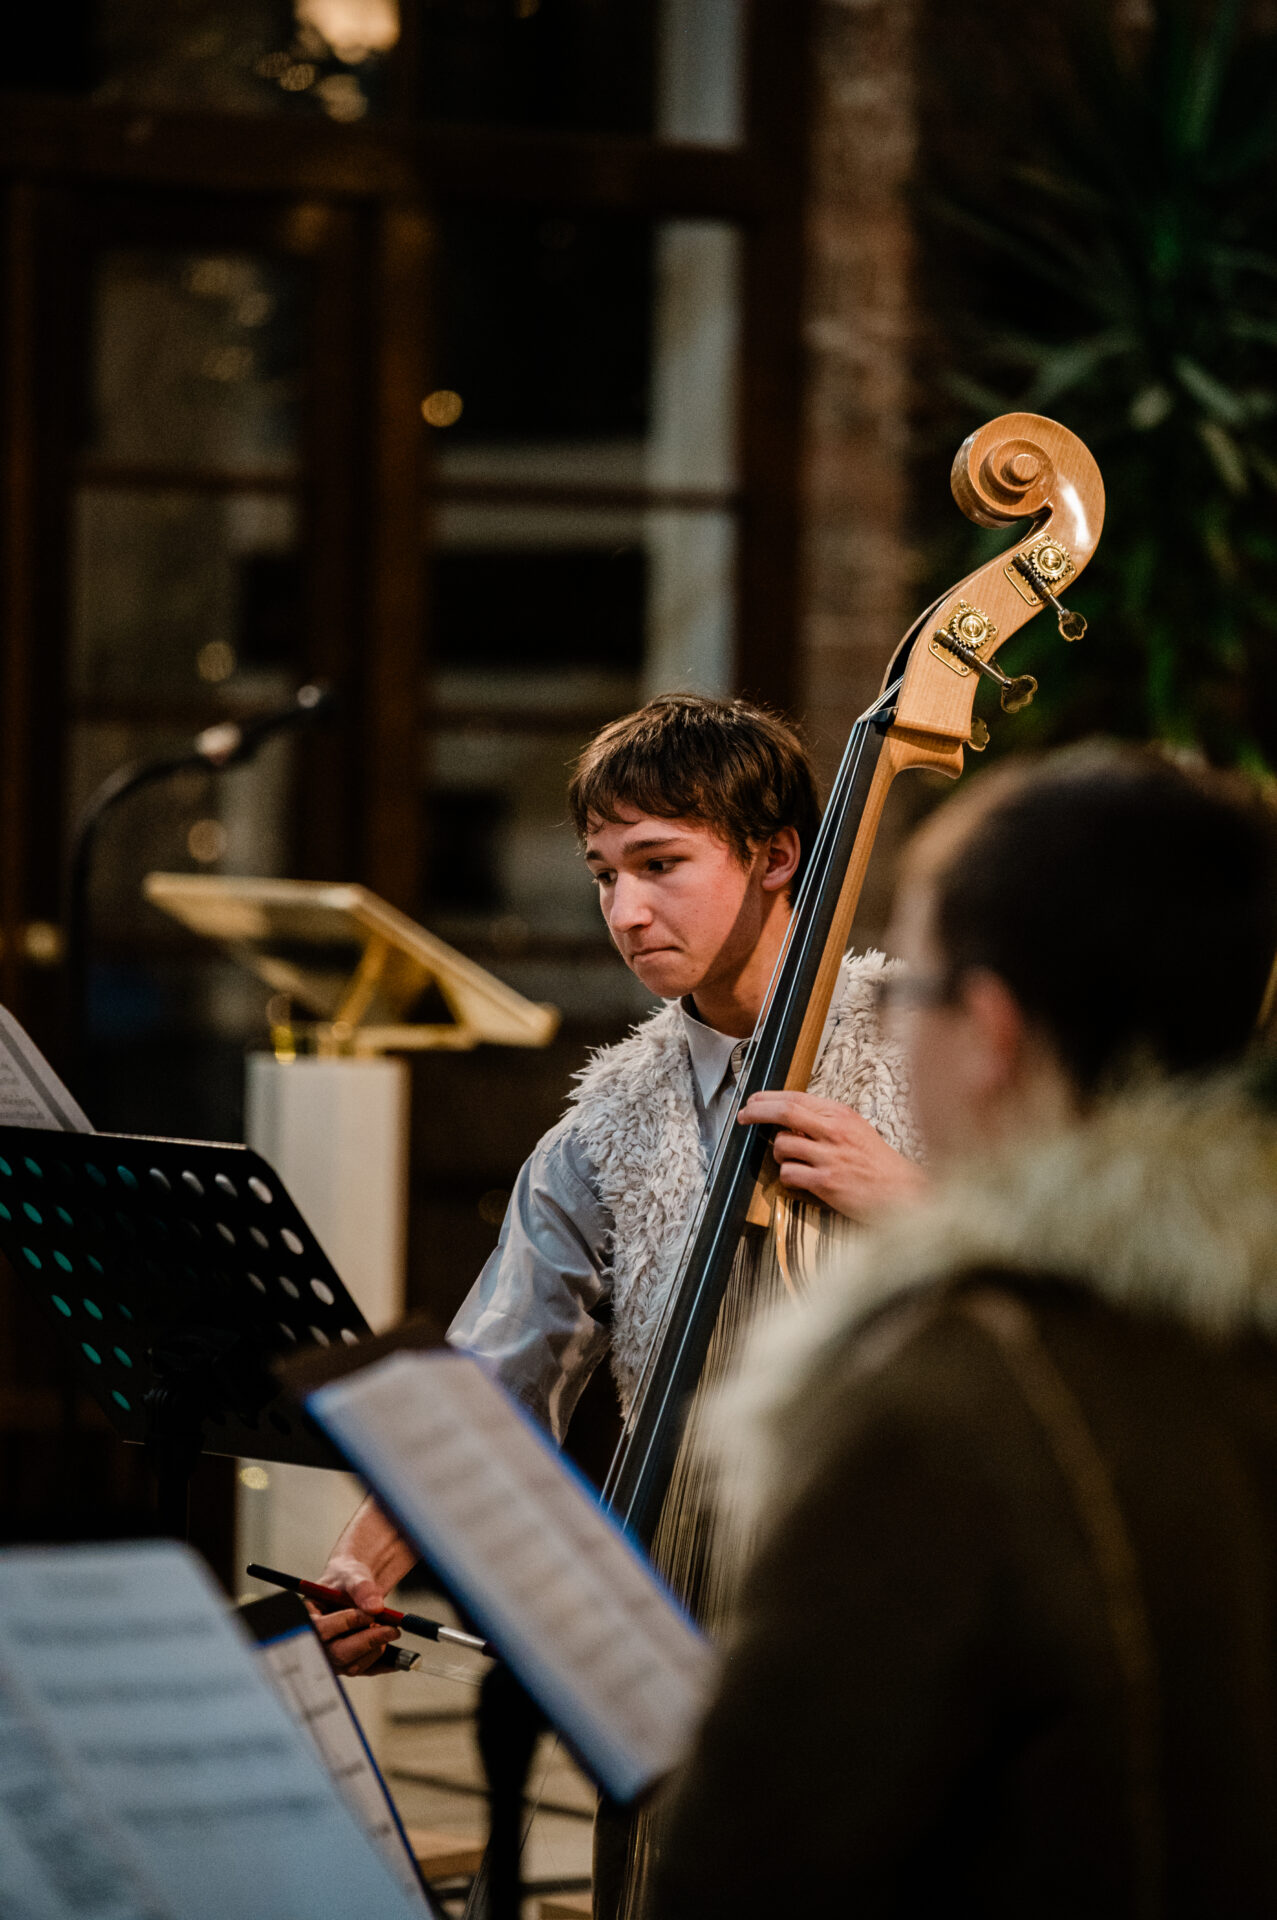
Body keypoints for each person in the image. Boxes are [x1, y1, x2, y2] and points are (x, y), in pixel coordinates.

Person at [653, 740, 1277, 1918]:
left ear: (986, 1034)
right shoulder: (1232, 1338)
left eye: (909, 993)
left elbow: (747, 1870)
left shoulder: (940, 1407)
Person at [311, 693, 925, 1673]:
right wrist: (360, 1565)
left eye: (659, 864)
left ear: (775, 856)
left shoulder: (935, 1040)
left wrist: (915, 1208)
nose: (625, 913)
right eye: (603, 875)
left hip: (922, 1603)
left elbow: (1109, 1291)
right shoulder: (601, 1129)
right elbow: (490, 1385)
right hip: (688, 1616)